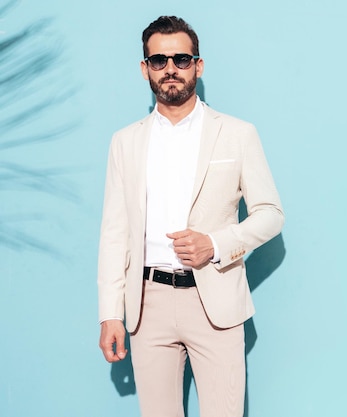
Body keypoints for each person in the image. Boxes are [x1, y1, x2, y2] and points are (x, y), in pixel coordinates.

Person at [97, 15, 284, 417]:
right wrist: (111, 313)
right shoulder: (125, 143)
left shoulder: (237, 133)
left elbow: (270, 214)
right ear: (145, 69)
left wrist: (215, 245)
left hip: (214, 300)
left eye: (181, 59)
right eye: (159, 60)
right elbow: (115, 234)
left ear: (198, 65)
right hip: (147, 305)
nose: (170, 69)